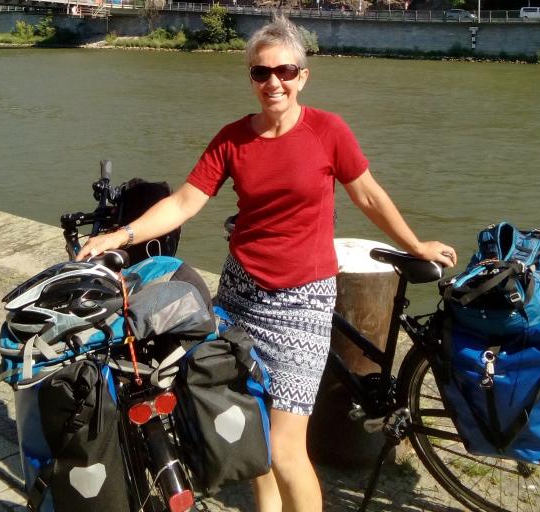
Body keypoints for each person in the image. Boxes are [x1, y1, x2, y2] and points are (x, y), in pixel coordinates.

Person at [77, 15, 457, 512]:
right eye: (261, 73)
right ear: (251, 77)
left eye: (285, 71)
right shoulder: (234, 139)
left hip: (303, 303)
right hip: (239, 296)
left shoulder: (328, 131)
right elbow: (186, 202)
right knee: (251, 433)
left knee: (285, 448)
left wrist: (416, 244)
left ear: (302, 75)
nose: (273, 82)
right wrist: (120, 235)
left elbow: (367, 194)